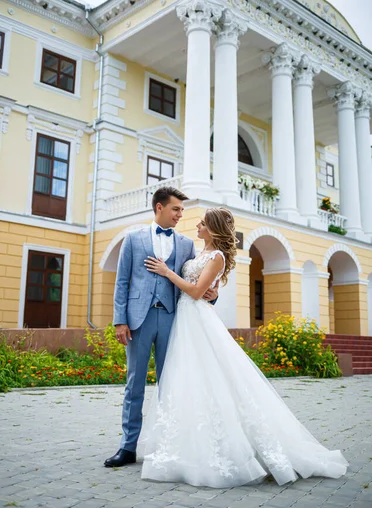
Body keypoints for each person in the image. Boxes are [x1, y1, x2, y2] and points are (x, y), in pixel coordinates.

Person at [140, 206, 348, 487]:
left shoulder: (216, 257)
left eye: (202, 223)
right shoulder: (199, 254)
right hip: (185, 319)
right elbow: (203, 288)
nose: (197, 226)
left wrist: (167, 273)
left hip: (197, 319)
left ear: (212, 228)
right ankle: (186, 442)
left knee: (214, 378)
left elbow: (197, 291)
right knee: (189, 379)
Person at [104, 187, 219, 468]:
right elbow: (122, 282)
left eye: (182, 210)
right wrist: (120, 320)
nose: (181, 214)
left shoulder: (186, 245)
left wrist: (214, 296)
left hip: (172, 319)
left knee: (171, 383)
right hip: (138, 320)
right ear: (159, 208)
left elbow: (197, 280)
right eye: (176, 209)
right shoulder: (132, 238)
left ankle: (169, 445)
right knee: (135, 384)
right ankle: (127, 447)